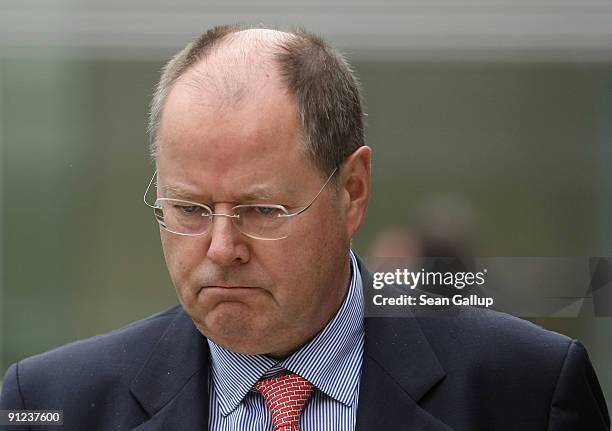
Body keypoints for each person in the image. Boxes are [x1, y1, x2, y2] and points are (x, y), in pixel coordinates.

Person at [1, 24, 609, 431]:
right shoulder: (51, 402)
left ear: (353, 192)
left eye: (262, 211)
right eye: (188, 208)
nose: (221, 249)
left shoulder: (526, 392)